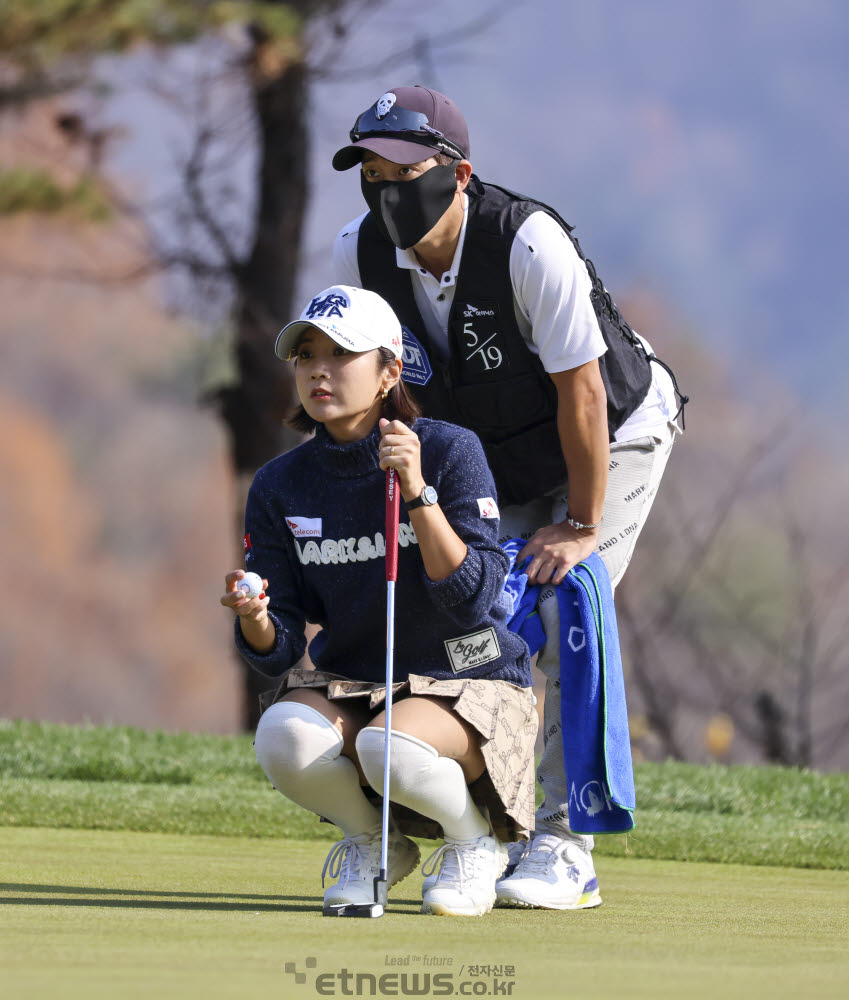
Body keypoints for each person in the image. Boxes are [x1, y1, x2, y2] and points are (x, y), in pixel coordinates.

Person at [331, 86, 686, 910]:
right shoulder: (359, 251)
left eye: (404, 172)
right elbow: (365, 376)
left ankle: (565, 846)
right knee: (469, 616)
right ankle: (486, 832)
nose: (386, 189)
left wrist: (580, 525)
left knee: (564, 604)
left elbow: (585, 396)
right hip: (496, 453)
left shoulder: (526, 242)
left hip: (615, 436)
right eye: (371, 172)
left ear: (457, 175)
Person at [221, 284, 538, 917]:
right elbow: (279, 646)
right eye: (307, 355)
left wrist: (417, 490)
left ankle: (475, 843)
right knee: (282, 736)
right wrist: (257, 617)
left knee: (388, 747)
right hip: (360, 679)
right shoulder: (281, 484)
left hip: (468, 676)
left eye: (341, 355)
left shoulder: (448, 451)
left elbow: (473, 597)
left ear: (389, 371)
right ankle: (375, 843)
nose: (318, 370)